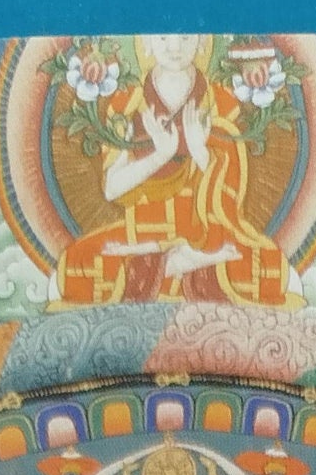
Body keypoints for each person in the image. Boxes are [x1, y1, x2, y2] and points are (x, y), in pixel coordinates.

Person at [56, 34, 297, 307]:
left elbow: (231, 190)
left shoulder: (220, 102)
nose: (175, 47)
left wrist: (200, 151)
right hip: (140, 229)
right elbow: (112, 189)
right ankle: (179, 261)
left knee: (267, 265)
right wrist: (160, 156)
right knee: (79, 261)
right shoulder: (127, 103)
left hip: (206, 229)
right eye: (162, 38)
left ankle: (168, 261)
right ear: (145, 43)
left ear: (203, 42)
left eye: (185, 37)